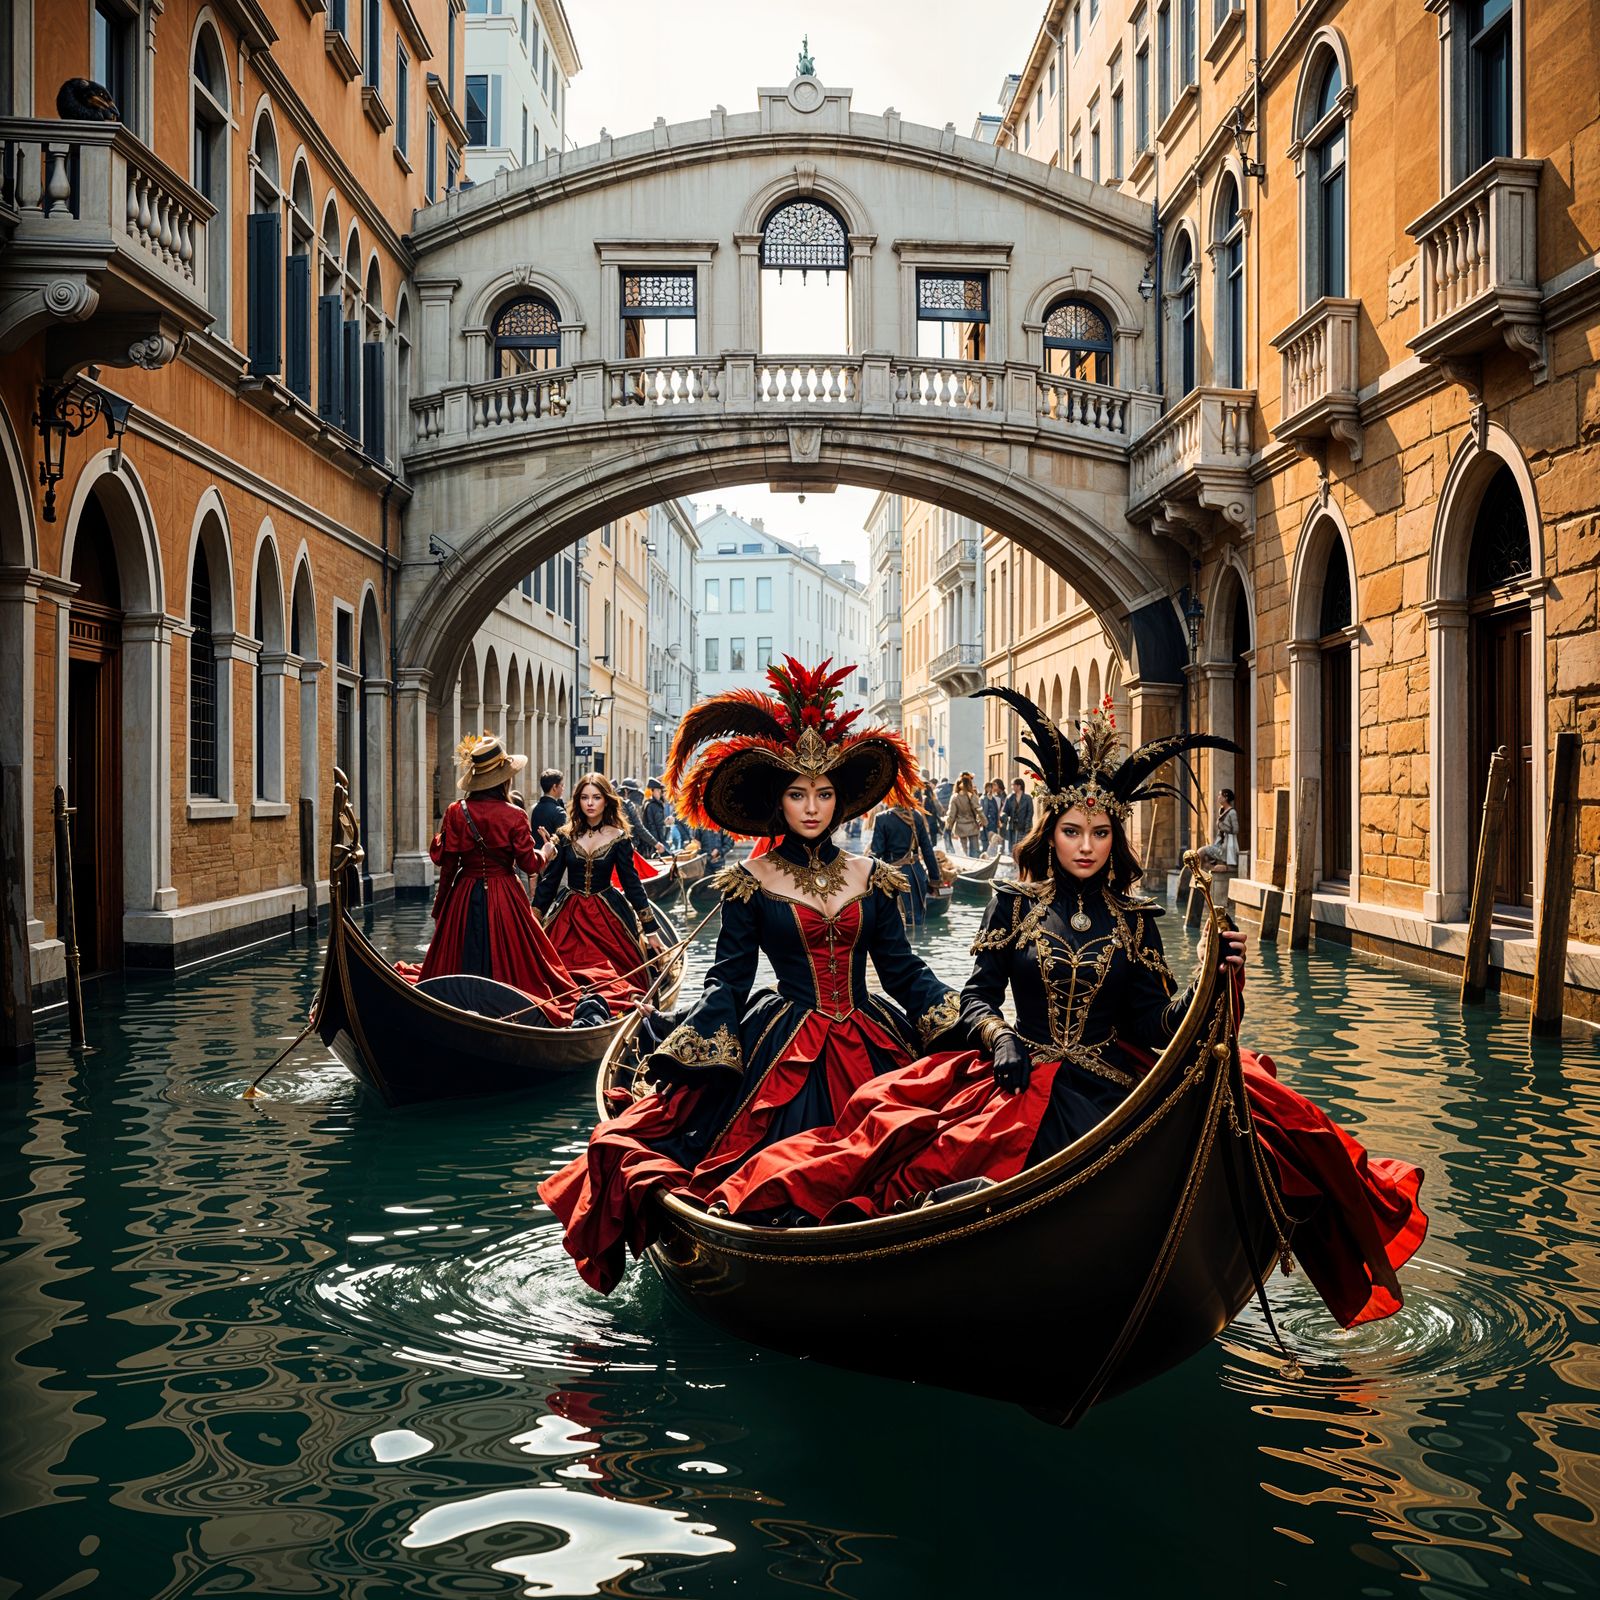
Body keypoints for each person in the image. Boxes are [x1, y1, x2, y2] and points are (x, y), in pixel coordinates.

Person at [708, 690, 1429, 1332]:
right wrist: (994, 1036)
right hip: (1018, 1079)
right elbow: (981, 993)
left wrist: (1212, 985)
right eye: (1072, 832)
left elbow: (1151, 1024)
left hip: (1109, 1082)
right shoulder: (1014, 902)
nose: (1086, 847)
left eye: (1100, 834)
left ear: (1116, 839)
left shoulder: (1137, 917)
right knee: (901, 1155)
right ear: (1049, 832)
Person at [539, 656, 966, 1292]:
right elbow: (729, 979)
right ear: (778, 801)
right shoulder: (751, 883)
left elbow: (903, 972)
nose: (813, 806)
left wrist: (977, 1022)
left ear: (840, 798)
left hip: (873, 1036)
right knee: (753, 1167)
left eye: (824, 793)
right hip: (786, 1042)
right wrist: (691, 1043)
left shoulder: (869, 877)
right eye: (798, 793)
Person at [420, 735, 622, 1024]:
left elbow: (448, 867)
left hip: (463, 893)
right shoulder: (513, 815)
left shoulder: (456, 811)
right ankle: (503, 1006)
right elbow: (529, 863)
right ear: (504, 780)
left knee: (456, 956)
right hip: (504, 895)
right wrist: (548, 851)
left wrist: (441, 910)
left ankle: (458, 1004)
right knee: (523, 965)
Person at [533, 772, 668, 997]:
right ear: (578, 801)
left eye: (596, 797)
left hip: (607, 914)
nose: (590, 803)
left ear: (606, 800)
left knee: (616, 974)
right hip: (569, 915)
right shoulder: (565, 836)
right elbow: (551, 881)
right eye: (585, 797)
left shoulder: (619, 837)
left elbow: (632, 884)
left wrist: (651, 929)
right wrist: (534, 916)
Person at [870, 793, 943, 925]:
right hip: (916, 876)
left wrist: (865, 876)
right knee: (916, 920)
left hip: (891, 877)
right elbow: (927, 851)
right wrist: (935, 879)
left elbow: (876, 853)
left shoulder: (882, 818)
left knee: (895, 922)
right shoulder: (916, 816)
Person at [1199, 788, 1241, 871]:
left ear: (1225, 798)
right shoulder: (1221, 811)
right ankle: (1207, 871)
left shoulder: (1232, 812)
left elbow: (1236, 829)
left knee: (1200, 852)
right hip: (1219, 843)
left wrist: (1223, 826)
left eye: (1220, 795)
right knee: (1202, 855)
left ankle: (1222, 868)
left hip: (1227, 846)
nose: (1218, 797)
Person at [947, 772, 983, 857]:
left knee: (964, 850)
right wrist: (984, 821)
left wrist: (949, 825)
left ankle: (966, 865)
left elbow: (952, 814)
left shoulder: (955, 797)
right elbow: (978, 810)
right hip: (972, 825)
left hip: (960, 826)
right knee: (974, 849)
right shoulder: (972, 795)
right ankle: (975, 865)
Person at [532, 768, 567, 840]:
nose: (563, 788)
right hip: (552, 850)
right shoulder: (559, 812)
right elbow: (563, 841)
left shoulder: (535, 808)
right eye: (562, 785)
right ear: (554, 787)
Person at [1007, 776, 1034, 853]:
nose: (1011, 787)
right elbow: (1005, 811)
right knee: (1012, 848)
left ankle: (1021, 863)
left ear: (1019, 786)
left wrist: (1027, 826)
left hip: (1024, 827)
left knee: (1022, 847)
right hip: (1012, 827)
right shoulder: (1010, 798)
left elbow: (1030, 813)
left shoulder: (1028, 798)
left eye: (1013, 785)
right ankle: (1014, 863)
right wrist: (1004, 816)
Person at [981, 779, 1002, 851]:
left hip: (993, 823)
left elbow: (997, 812)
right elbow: (981, 812)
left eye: (991, 787)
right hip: (986, 824)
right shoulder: (983, 798)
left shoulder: (994, 799)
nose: (990, 789)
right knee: (985, 843)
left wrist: (998, 822)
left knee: (994, 842)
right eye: (988, 787)